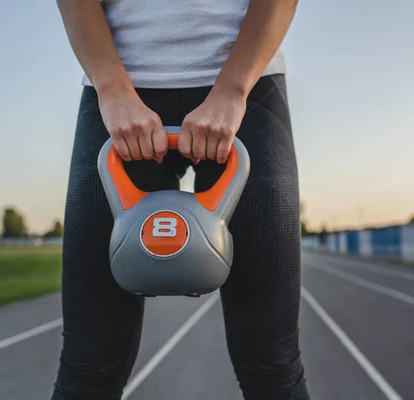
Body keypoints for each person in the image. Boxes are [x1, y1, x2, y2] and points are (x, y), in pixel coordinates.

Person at [52, 1, 310, 399]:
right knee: (89, 364)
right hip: (117, 94)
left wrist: (233, 90)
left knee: (271, 363)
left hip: (248, 88)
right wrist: (112, 88)